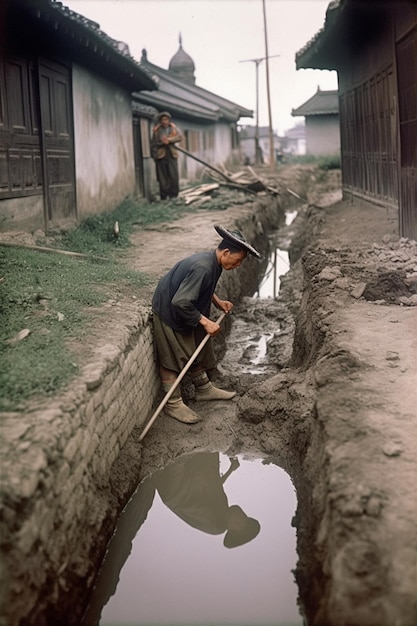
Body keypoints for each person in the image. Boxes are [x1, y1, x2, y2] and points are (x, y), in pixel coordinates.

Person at [151, 224, 261, 424]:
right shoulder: (203, 267)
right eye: (237, 261)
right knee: (172, 357)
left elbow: (202, 288)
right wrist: (205, 321)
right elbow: (180, 301)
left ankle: (203, 389)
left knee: (197, 345)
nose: (237, 266)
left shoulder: (214, 263)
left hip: (187, 308)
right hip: (170, 310)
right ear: (226, 252)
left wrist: (217, 302)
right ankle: (173, 403)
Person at [151, 111, 182, 200]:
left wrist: (169, 140)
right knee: (162, 176)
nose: (164, 121)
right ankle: (164, 196)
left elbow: (180, 138)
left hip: (172, 154)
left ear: (169, 120)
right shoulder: (156, 130)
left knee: (173, 175)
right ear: (160, 121)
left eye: (166, 119)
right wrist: (154, 155)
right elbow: (153, 143)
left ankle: (174, 195)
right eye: (162, 120)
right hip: (161, 155)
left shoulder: (173, 128)